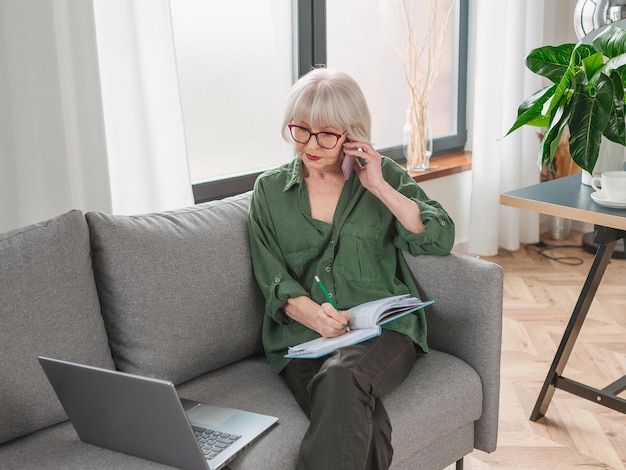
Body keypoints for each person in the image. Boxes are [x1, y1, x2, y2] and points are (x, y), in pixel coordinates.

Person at [247, 67, 455, 470]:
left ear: (352, 134)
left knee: (342, 378)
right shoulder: (269, 192)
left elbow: (439, 235)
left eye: (326, 134)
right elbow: (272, 278)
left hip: (383, 333)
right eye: (301, 130)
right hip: (303, 339)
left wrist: (378, 185)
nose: (310, 144)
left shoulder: (384, 177)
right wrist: (314, 315)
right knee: (368, 427)